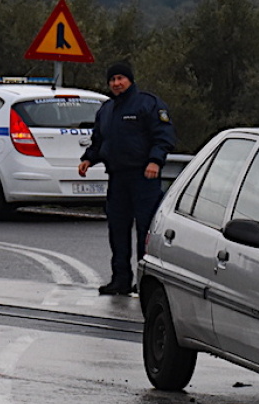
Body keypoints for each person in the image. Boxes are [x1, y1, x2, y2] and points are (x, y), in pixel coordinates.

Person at [78, 61, 176, 295]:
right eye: (112, 80)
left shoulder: (148, 104)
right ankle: (120, 279)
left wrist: (155, 161)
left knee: (145, 231)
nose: (116, 83)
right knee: (117, 230)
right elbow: (100, 141)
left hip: (144, 176)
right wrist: (89, 159)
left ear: (130, 80)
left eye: (121, 78)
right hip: (117, 178)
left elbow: (163, 135)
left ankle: (145, 283)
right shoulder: (107, 110)